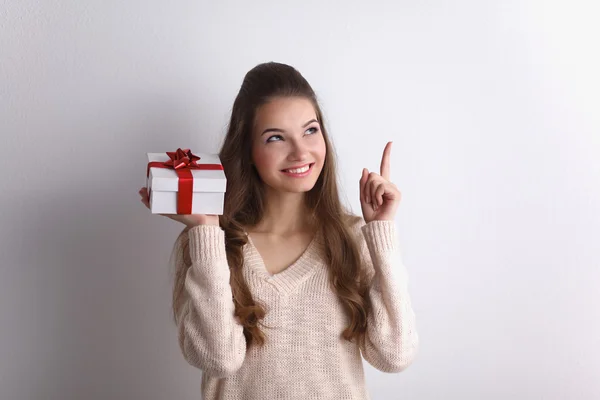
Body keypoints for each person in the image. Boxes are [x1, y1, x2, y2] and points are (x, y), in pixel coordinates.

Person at [138, 61, 419, 399]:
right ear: (249, 151)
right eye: (275, 138)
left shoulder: (354, 239)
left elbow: (394, 355)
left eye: (310, 130)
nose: (301, 152)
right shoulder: (211, 244)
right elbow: (219, 359)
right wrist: (206, 232)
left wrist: (382, 233)